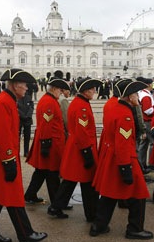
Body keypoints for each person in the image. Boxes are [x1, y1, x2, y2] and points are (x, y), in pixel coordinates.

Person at [0, 68, 48, 242]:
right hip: (2, 157)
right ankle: (25, 234)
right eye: (24, 85)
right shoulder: (4, 102)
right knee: (13, 196)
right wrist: (9, 160)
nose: (27, 88)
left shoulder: (7, 100)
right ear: (16, 85)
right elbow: (3, 135)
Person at [90, 80, 153, 239]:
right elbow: (123, 143)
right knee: (139, 194)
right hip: (124, 157)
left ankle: (99, 225)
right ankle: (135, 228)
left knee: (109, 193)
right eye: (136, 94)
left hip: (112, 156)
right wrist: (126, 167)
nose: (138, 97)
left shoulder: (114, 107)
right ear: (130, 96)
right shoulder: (125, 115)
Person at [50, 78, 103, 221]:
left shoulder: (80, 103)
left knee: (71, 180)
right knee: (86, 182)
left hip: (76, 148)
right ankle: (91, 214)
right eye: (92, 89)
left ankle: (56, 206)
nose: (94, 92)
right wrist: (87, 152)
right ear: (86, 91)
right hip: (81, 149)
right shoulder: (82, 107)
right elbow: (82, 131)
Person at [24, 75, 69, 209]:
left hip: (49, 141)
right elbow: (46, 124)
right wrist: (46, 144)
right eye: (60, 90)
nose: (61, 93)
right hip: (50, 143)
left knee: (41, 172)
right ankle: (57, 203)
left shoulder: (50, 100)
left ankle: (30, 194)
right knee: (52, 174)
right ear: (54, 89)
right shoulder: (49, 103)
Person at [136, 77, 154, 174]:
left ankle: (141, 163)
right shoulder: (145, 95)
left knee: (144, 143)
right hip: (148, 121)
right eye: (152, 84)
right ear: (148, 84)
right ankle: (152, 163)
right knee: (153, 142)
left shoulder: (143, 93)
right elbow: (148, 110)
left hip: (144, 121)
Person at [17, 87, 34, 157]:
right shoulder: (17, 98)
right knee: (18, 136)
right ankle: (17, 151)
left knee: (27, 136)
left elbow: (31, 107)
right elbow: (16, 108)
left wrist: (28, 115)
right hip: (20, 119)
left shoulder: (28, 97)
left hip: (28, 120)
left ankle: (26, 151)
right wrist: (23, 115)